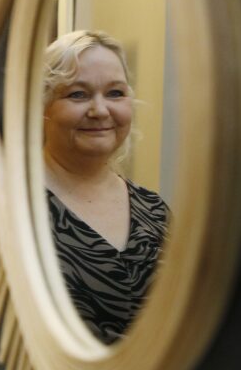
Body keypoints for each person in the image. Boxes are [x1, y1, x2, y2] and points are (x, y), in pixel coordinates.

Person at [42, 30, 168, 346]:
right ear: (43, 107)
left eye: (115, 93)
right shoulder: (11, 204)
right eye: (77, 94)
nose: (100, 110)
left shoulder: (155, 211)